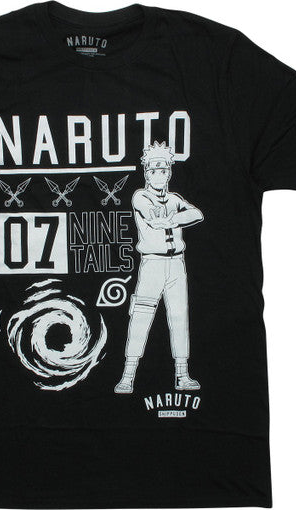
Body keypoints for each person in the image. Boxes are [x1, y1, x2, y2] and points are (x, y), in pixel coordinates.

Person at [115, 141, 204, 394]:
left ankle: (182, 375)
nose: (159, 175)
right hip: (152, 264)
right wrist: (174, 218)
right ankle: (128, 376)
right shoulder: (140, 196)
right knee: (141, 317)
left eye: (163, 170)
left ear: (169, 172)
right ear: (147, 172)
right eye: (154, 170)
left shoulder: (175, 198)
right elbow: (153, 217)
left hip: (176, 264)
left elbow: (197, 214)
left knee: (179, 318)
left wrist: (173, 219)